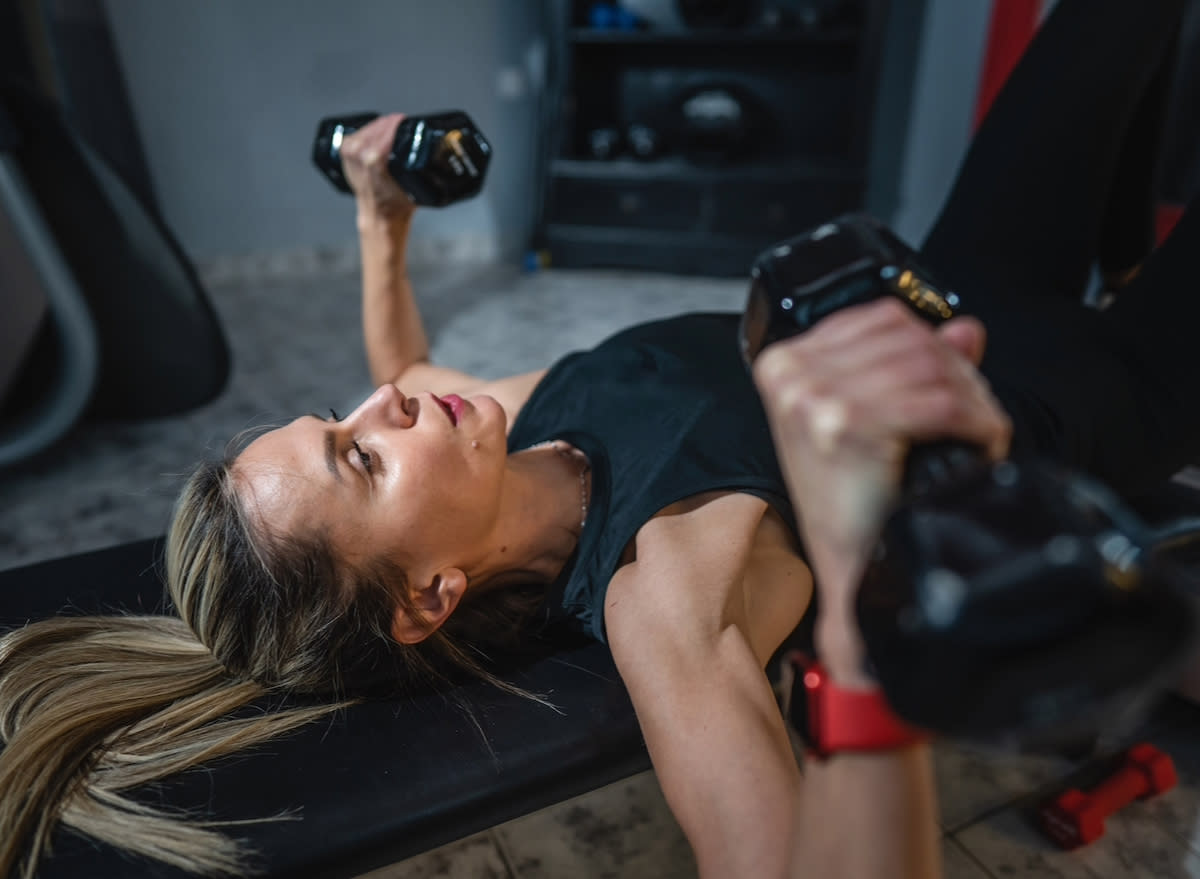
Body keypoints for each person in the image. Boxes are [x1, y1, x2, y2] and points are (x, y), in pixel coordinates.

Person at [1, 0, 1195, 876]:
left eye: (336, 417)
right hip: (1094, 397)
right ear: (428, 597)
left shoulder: (517, 428)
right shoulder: (664, 590)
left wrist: (381, 219)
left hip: (951, 283)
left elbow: (405, 368)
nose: (387, 409)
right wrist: (849, 597)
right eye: (360, 457)